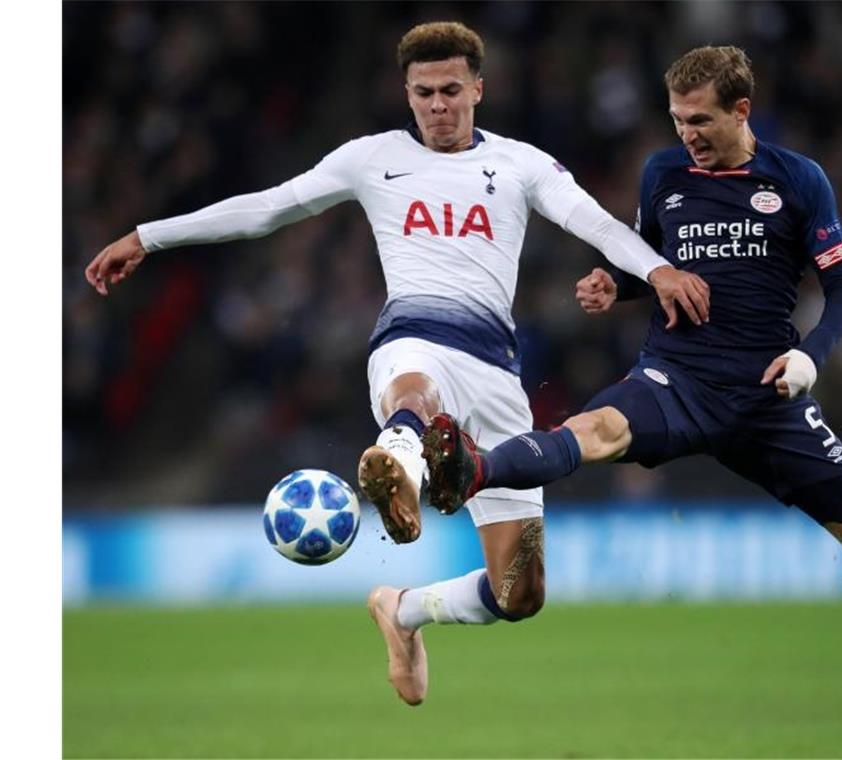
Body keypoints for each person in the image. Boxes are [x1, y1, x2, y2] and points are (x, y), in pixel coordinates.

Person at [84, 21, 711, 706]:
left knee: (520, 594)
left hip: (496, 375)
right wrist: (149, 235)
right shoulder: (370, 158)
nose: (437, 106)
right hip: (413, 335)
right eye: (422, 93)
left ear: (479, 87)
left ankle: (402, 608)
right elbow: (266, 210)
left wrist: (658, 272)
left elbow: (594, 223)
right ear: (405, 93)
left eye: (449, 90)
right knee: (416, 392)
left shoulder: (522, 164)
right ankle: (401, 466)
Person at [421, 45, 842, 652]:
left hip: (769, 396)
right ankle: (470, 469)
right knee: (593, 430)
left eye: (700, 120)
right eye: (677, 119)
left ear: (741, 109)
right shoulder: (662, 174)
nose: (686, 134)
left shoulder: (799, 179)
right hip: (677, 379)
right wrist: (614, 285)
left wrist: (811, 357)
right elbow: (651, 265)